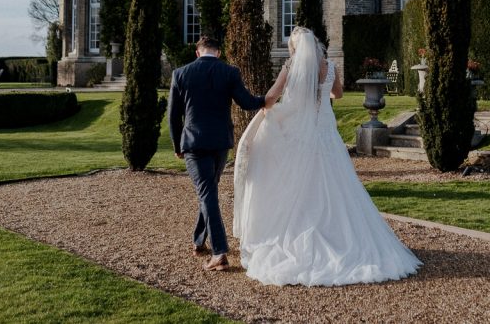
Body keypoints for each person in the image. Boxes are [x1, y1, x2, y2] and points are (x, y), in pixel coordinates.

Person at [233, 26, 422, 286]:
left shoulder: (291, 67)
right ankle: (346, 238)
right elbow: (338, 93)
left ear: (296, 47)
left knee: (299, 182)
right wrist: (323, 91)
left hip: (300, 134)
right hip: (325, 132)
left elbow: (273, 95)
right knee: (337, 183)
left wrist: (265, 109)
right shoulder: (329, 66)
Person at [169, 35, 274, 272]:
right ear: (218, 52)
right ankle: (199, 240)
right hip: (220, 143)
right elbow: (247, 102)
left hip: (194, 144)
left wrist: (177, 146)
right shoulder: (229, 72)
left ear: (198, 52)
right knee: (208, 191)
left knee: (207, 193)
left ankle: (219, 252)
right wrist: (269, 100)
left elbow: (173, 116)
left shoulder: (181, 73)